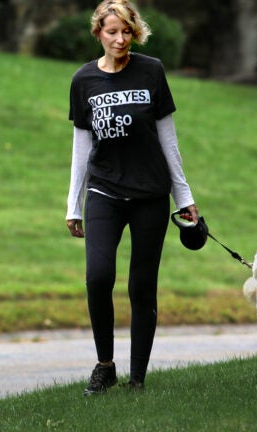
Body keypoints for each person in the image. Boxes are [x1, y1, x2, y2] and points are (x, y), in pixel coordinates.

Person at [65, 0, 199, 394]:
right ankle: (105, 365)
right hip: (104, 191)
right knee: (98, 276)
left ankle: (136, 379)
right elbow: (80, 147)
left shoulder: (151, 71)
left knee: (142, 286)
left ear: (134, 31)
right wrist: (73, 204)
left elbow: (168, 140)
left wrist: (184, 198)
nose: (120, 39)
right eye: (112, 32)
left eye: (126, 31)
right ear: (98, 34)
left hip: (149, 195)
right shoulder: (83, 80)